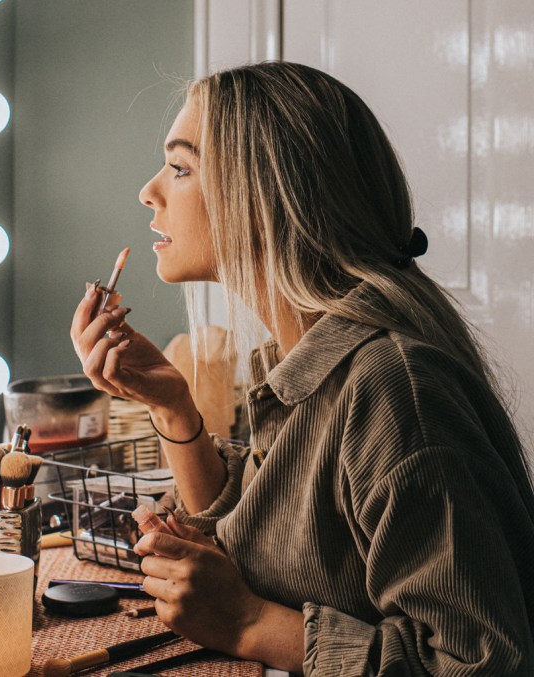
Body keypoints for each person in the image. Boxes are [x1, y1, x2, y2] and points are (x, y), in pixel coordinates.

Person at [70, 61, 534, 675]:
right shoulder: (303, 360)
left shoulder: (391, 388)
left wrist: (247, 623)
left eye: (180, 167)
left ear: (264, 197)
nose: (148, 191)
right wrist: (171, 408)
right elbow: (275, 547)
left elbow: (478, 662)